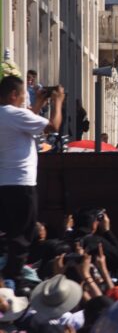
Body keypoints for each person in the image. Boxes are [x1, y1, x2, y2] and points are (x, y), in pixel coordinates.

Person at [0, 76, 63, 281]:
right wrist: (58, 101)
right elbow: (53, 126)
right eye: (24, 95)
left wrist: (38, 104)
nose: (26, 99)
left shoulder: (8, 116)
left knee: (9, 232)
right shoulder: (14, 114)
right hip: (21, 184)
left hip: (4, 182)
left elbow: (26, 122)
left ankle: (8, 273)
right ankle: (12, 279)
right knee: (22, 235)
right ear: (13, 95)